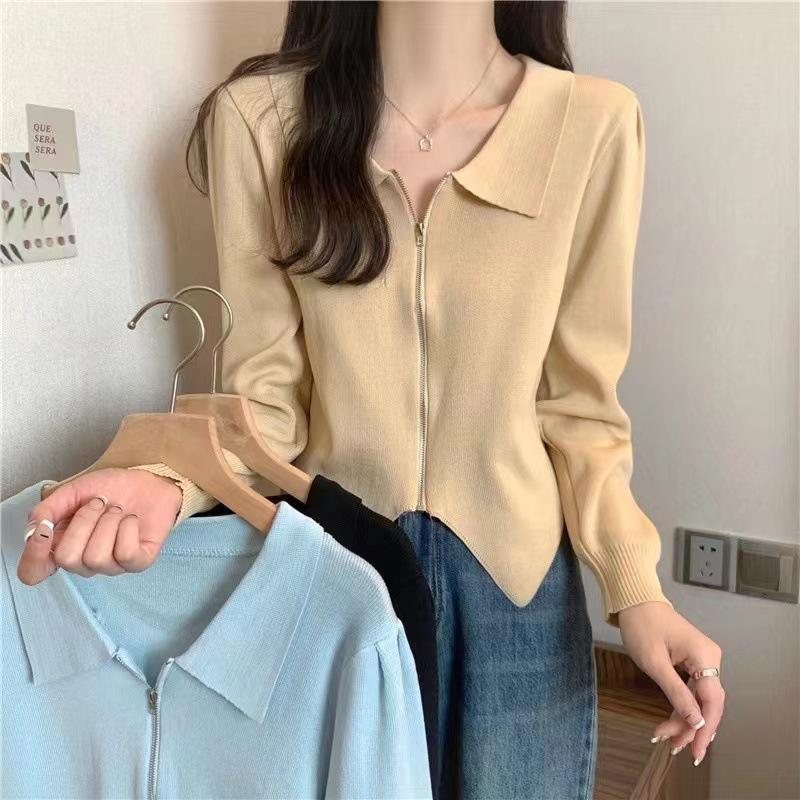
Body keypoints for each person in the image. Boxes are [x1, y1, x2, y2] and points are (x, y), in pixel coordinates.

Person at [18, 3, 725, 798]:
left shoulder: (593, 122)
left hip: (521, 597)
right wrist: (170, 480)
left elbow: (580, 409)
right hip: (339, 583)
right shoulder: (261, 123)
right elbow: (265, 404)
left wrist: (636, 589)